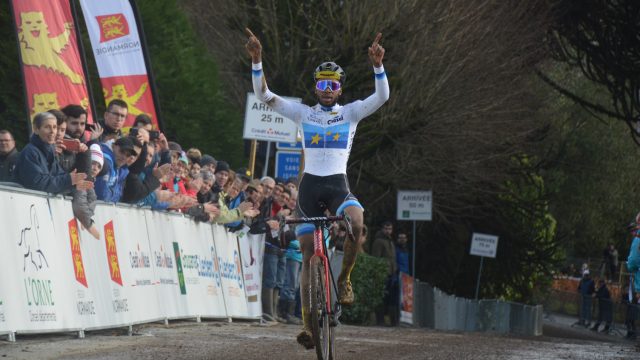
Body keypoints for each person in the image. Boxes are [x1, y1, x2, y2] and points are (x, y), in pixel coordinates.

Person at [245, 28, 389, 348]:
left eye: (332, 85)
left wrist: (378, 66)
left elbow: (381, 98)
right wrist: (257, 61)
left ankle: (345, 278)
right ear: (315, 87)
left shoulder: (351, 113)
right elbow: (265, 96)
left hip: (337, 185)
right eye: (322, 84)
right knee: (309, 254)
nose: (326, 90)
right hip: (310, 188)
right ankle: (309, 326)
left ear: (340, 90)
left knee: (358, 221)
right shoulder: (303, 113)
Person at [15, 112, 92, 193]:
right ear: (36, 129)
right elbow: (38, 184)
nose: (53, 131)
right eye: (47, 127)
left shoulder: (50, 152)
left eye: (54, 127)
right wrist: (69, 179)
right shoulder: (30, 152)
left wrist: (75, 182)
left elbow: (60, 177)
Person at [72, 144, 103, 239]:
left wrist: (84, 220)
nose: (95, 168)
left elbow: (92, 200)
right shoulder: (80, 178)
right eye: (93, 163)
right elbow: (79, 204)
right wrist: (89, 224)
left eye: (99, 166)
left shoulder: (90, 186)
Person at [372, 221, 397, 326]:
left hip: (391, 273)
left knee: (391, 298)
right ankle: (380, 320)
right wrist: (378, 271)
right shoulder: (379, 241)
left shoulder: (390, 241)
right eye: (386, 228)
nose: (388, 231)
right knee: (381, 297)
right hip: (383, 273)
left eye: (390, 229)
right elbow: (376, 258)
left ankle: (392, 321)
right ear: (382, 229)